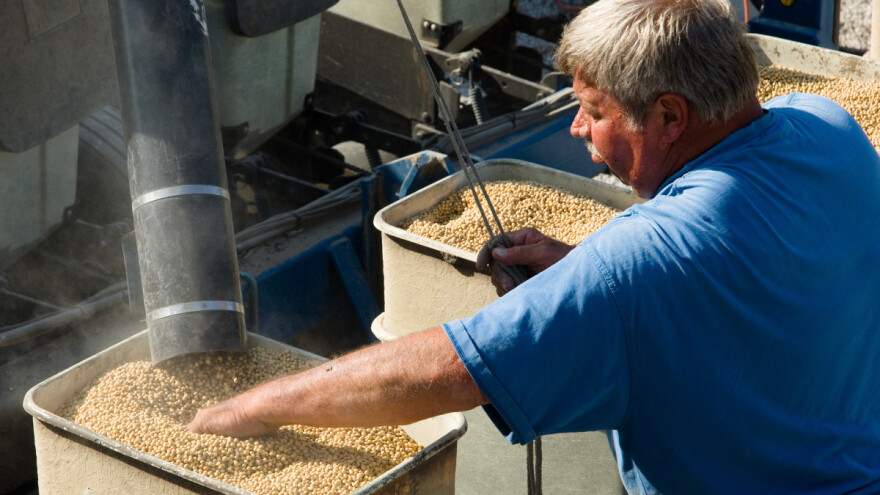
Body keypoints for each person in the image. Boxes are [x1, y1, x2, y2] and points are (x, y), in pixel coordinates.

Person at [188, 0, 880, 493]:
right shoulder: (825, 126)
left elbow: (442, 369)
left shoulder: (639, 262)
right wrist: (580, 266)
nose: (578, 129)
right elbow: (743, 276)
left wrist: (253, 405)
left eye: (596, 111)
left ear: (670, 114)